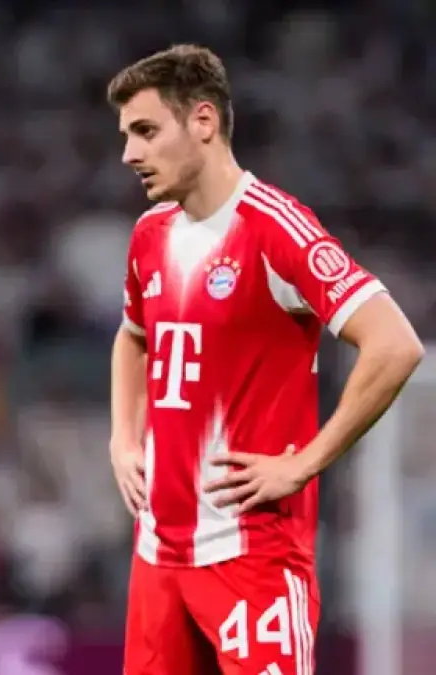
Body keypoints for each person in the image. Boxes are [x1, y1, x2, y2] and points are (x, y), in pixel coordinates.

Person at [105, 44, 424, 675]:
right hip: (158, 557)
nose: (129, 154)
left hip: (254, 554)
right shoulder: (150, 235)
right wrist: (122, 436)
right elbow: (133, 334)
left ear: (203, 120)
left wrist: (305, 463)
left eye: (146, 131)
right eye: (126, 136)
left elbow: (395, 344)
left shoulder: (275, 227)